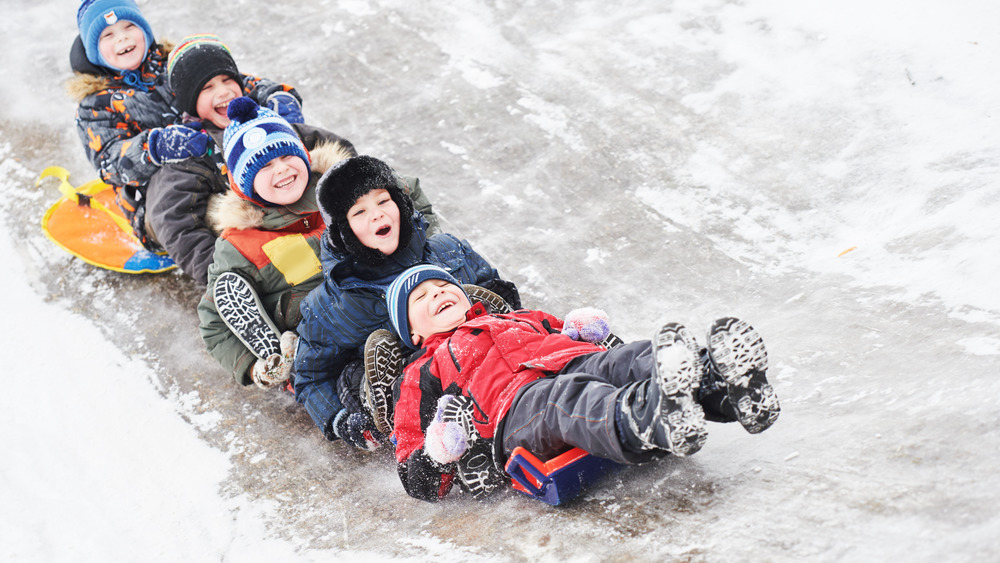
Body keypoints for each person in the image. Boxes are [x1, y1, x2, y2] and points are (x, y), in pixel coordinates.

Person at [384, 265, 781, 502]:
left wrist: (578, 328)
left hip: (574, 359)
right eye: (421, 297)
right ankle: (655, 419)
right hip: (516, 408)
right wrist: (438, 450)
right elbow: (412, 472)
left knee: (629, 358)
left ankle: (725, 385)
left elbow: (561, 328)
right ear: (413, 333)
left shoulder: (514, 317)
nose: (437, 293)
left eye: (443, 285)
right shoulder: (423, 368)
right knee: (569, 400)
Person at [292, 155, 521, 452]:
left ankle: (507, 360)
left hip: (474, 352)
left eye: (383, 201)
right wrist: (339, 419)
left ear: (400, 204)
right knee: (359, 374)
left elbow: (493, 285)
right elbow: (311, 376)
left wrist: (510, 308)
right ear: (342, 231)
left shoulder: (449, 250)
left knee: (486, 315)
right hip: (413, 382)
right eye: (359, 212)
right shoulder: (330, 306)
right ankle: (399, 413)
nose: (376, 215)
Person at [67, 0, 304, 250]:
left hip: (214, 168)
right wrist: (155, 147)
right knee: (225, 211)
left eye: (129, 26)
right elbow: (108, 162)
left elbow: (231, 81)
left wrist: (276, 95)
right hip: (163, 204)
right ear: (93, 49)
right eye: (108, 35)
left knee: (278, 166)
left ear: (145, 30)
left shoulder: (174, 62)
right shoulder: (95, 105)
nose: (122, 39)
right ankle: (235, 259)